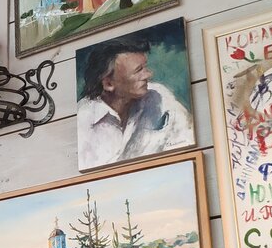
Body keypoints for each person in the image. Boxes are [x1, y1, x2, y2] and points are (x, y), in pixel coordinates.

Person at [75, 37, 193, 170]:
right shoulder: (83, 122)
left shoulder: (159, 96)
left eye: (145, 67)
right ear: (108, 84)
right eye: (138, 70)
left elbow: (187, 139)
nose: (148, 74)